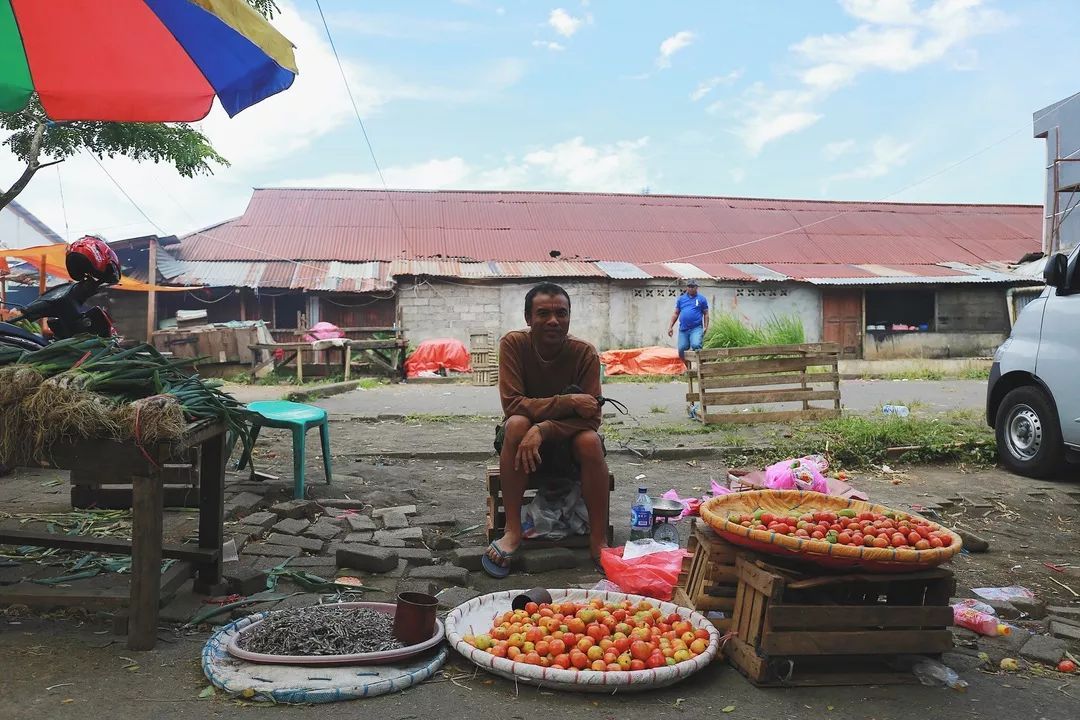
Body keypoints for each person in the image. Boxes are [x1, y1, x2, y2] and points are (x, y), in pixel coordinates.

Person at [483, 282, 610, 578]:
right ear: (529, 318)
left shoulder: (585, 354)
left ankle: (597, 540)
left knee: (590, 441)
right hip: (521, 445)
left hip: (568, 446)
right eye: (543, 313)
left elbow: (591, 417)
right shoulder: (513, 344)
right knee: (516, 424)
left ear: (568, 317)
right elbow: (513, 404)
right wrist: (567, 402)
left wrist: (544, 428)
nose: (553, 320)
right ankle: (513, 530)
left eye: (561, 313)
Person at [667, 279, 710, 360]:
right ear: (687, 287)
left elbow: (706, 313)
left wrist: (705, 327)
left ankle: (700, 366)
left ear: (696, 287)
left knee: (696, 345)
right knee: (681, 349)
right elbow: (676, 313)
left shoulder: (701, 299)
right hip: (683, 329)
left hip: (696, 328)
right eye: (689, 286)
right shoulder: (681, 299)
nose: (691, 288)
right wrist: (670, 327)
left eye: (693, 287)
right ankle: (686, 369)